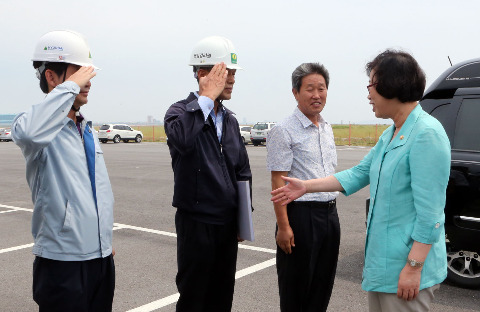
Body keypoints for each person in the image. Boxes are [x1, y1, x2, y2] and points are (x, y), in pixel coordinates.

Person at [271, 50, 451, 312]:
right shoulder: (393, 132)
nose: (368, 94)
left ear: (392, 84)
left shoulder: (427, 134)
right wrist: (306, 186)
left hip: (406, 269)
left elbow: (431, 214)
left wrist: (414, 267)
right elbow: (358, 173)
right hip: (385, 267)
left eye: (372, 84)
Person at [12, 30, 115, 312]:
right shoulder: (35, 126)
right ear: (52, 77)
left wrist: (102, 241)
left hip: (100, 259)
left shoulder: (87, 129)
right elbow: (30, 134)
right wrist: (69, 88)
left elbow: (95, 191)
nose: (88, 82)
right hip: (61, 264)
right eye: (79, 73)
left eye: (88, 74)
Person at [163, 36, 252, 312]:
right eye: (227, 74)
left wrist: (243, 218)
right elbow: (183, 140)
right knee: (194, 297)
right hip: (196, 224)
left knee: (222, 297)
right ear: (203, 74)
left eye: (234, 74)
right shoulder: (180, 113)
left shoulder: (231, 120)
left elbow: (242, 171)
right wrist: (204, 100)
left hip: (226, 226)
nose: (233, 80)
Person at [266, 63, 340, 312]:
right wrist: (284, 227)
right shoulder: (283, 130)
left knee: (322, 285)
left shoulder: (327, 128)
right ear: (295, 92)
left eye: (321, 88)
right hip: (301, 217)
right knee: (296, 289)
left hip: (330, 215)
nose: (317, 95)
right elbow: (278, 182)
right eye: (310, 89)